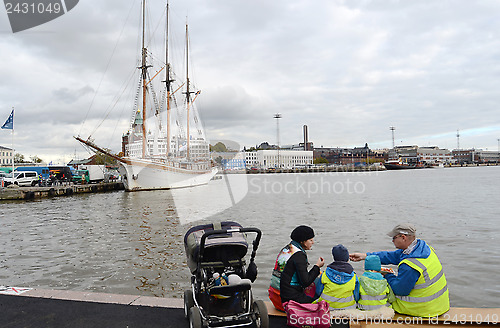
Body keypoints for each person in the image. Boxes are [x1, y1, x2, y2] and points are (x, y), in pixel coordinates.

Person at [350, 223, 449, 317]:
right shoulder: (422, 249)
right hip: (440, 305)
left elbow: (400, 290)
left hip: (423, 309)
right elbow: (392, 256)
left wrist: (387, 275)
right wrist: (365, 256)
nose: (392, 241)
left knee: (381, 295)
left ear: (403, 237)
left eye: (394, 238)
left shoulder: (410, 265)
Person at [269, 225, 324, 311]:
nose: (313, 242)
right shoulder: (299, 255)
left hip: (274, 296)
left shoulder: (287, 249)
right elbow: (305, 282)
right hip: (287, 301)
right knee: (320, 301)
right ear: (303, 241)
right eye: (310, 240)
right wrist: (317, 267)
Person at [314, 244, 359, 310]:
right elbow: (356, 296)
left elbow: (318, 292)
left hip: (327, 308)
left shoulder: (325, 274)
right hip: (348, 309)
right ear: (347, 259)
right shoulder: (354, 277)